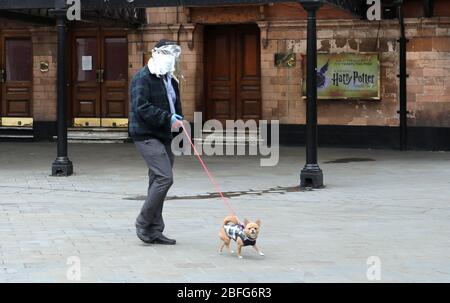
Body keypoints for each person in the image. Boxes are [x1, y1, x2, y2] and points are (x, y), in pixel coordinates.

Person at [129, 39, 183, 245]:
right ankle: (143, 223)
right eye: (167, 54)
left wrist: (179, 128)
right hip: (145, 135)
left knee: (156, 181)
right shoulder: (142, 78)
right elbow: (141, 107)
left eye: (174, 55)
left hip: (165, 136)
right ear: (156, 54)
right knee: (164, 178)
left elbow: (176, 108)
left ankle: (154, 230)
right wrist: (167, 118)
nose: (172, 59)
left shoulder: (172, 80)